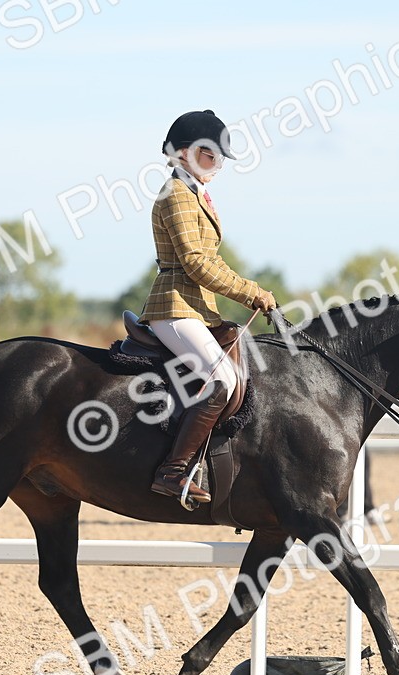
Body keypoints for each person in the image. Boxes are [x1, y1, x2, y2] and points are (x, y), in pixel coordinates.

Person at [139, 110, 277, 503]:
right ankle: (173, 471)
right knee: (222, 380)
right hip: (174, 306)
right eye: (209, 156)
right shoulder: (176, 194)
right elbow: (196, 263)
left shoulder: (195, 192)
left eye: (219, 158)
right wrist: (250, 292)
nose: (217, 166)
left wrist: (252, 289)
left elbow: (211, 261)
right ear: (181, 153)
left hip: (197, 307)